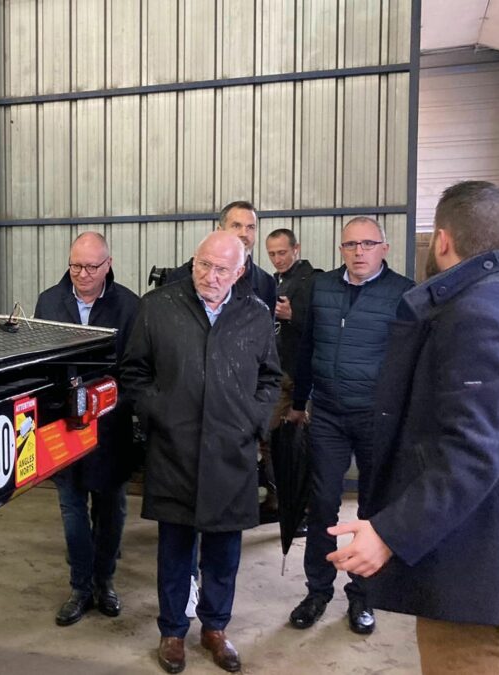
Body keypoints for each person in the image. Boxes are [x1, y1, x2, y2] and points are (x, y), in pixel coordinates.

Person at [328, 181, 499, 674]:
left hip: (479, 556)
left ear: (442, 240)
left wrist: (391, 532)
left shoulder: (474, 315)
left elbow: (474, 450)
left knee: (465, 661)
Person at [122, 231, 281, 673]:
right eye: (203, 265)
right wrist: (156, 412)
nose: (210, 276)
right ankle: (173, 631)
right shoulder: (158, 307)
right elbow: (133, 370)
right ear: (194, 261)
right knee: (174, 546)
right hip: (174, 449)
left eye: (221, 269)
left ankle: (215, 628)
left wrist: (252, 419)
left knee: (224, 549)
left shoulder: (255, 314)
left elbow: (270, 377)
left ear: (240, 272)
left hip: (231, 451)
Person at [286, 217, 413, 635]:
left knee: (372, 509)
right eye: (350, 245)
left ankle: (363, 596)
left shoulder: (403, 293)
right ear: (340, 249)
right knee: (322, 504)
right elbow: (306, 347)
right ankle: (318, 591)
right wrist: (299, 401)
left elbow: (411, 361)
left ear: (384, 248)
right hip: (328, 414)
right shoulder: (320, 289)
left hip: (376, 418)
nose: (359, 252)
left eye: (367, 244)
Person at [34, 232, 140, 627]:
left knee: (111, 509)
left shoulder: (130, 307)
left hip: (110, 427)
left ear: (108, 265)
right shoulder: (49, 302)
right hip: (62, 428)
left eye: (91, 267)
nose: (82, 274)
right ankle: (80, 586)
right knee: (71, 508)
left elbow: (137, 370)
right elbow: (40, 367)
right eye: (75, 265)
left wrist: (109, 400)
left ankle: (104, 581)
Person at [261, 229, 321, 514]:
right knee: (273, 441)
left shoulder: (315, 281)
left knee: (298, 445)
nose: (277, 259)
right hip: (276, 373)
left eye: (282, 252)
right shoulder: (274, 281)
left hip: (301, 377)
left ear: (296, 248)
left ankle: (301, 509)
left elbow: (324, 328)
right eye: (271, 254)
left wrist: (292, 316)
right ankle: (280, 503)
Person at [166, 201, 277, 315]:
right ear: (219, 230)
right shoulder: (179, 278)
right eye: (236, 226)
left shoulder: (266, 284)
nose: (244, 233)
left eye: (250, 227)